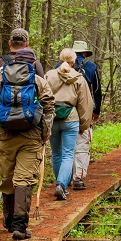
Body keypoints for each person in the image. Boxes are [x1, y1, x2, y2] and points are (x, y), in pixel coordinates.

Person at [0, 48, 55, 240]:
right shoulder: (38, 81)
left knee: (8, 177)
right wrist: (46, 132)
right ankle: (20, 227)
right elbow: (49, 106)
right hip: (30, 136)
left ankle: (9, 219)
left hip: (4, 135)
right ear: (32, 64)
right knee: (24, 179)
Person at [44, 48, 93, 200]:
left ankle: (60, 182)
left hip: (53, 118)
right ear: (73, 62)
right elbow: (85, 104)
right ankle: (61, 185)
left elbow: (43, 98)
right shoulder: (78, 78)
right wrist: (84, 125)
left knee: (56, 153)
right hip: (71, 119)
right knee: (67, 154)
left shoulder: (49, 75)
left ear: (60, 59)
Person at [68, 40, 103, 190]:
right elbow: (97, 91)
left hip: (64, 111)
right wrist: (96, 110)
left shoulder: (59, 67)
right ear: (84, 52)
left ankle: (64, 178)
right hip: (84, 111)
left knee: (66, 147)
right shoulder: (90, 67)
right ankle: (78, 179)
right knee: (81, 144)